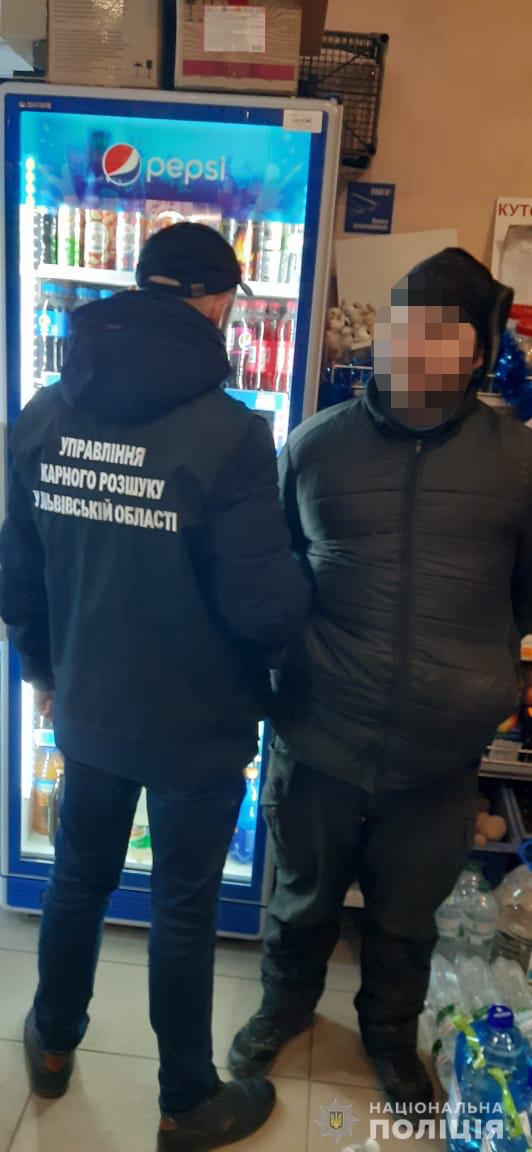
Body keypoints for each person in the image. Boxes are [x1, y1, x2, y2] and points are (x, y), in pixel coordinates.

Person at [0, 223, 311, 1151]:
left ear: (141, 287)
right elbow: (263, 608)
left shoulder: (43, 413)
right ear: (218, 302)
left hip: (89, 707)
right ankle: (186, 1102)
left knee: (78, 881)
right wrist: (308, 590)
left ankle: (51, 1044)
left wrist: (45, 672)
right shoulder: (232, 433)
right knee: (182, 910)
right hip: (198, 726)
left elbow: (18, 576)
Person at [230, 248, 532, 1109]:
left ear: (478, 352)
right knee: (300, 899)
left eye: (442, 332)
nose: (415, 347)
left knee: (405, 917)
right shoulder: (315, 446)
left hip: (439, 752)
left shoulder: (518, 462)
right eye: (404, 326)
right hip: (321, 728)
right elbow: (275, 579)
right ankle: (285, 1008)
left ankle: (390, 1037)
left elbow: (524, 598)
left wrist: (476, 677)